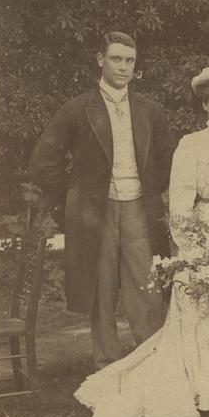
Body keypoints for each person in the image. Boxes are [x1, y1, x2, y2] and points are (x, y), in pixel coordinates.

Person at [73, 57, 209, 417]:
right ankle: (202, 388)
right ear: (205, 105)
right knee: (201, 308)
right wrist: (191, 245)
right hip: (203, 224)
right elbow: (181, 200)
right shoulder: (190, 144)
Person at [28, 32, 175, 370]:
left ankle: (151, 363)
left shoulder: (149, 110)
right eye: (116, 59)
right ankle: (107, 364)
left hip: (139, 208)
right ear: (100, 60)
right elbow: (42, 164)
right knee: (102, 288)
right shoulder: (78, 108)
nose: (123, 67)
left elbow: (169, 159)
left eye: (129, 61)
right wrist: (77, 193)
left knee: (148, 285)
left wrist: (154, 192)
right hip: (96, 213)